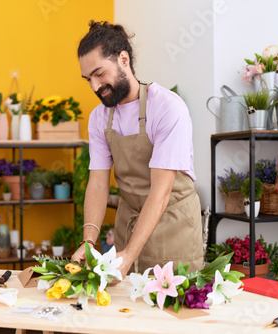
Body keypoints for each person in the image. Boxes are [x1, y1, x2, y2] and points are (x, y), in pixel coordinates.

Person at [71, 21, 204, 279]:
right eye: (88, 79)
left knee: (169, 311)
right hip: (128, 222)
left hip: (172, 225)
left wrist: (130, 254)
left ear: (123, 59)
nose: (95, 87)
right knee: (124, 311)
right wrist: (88, 242)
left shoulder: (166, 108)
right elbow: (98, 184)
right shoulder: (99, 118)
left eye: (100, 74)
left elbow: (161, 192)